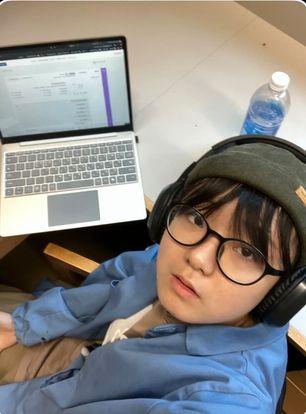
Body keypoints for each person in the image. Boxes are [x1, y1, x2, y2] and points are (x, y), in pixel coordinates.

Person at [0, 137, 305, 414]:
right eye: (197, 218)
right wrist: (25, 324)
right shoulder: (171, 254)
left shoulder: (226, 398)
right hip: (78, 352)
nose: (197, 257)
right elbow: (112, 286)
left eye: (248, 252)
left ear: (286, 292)